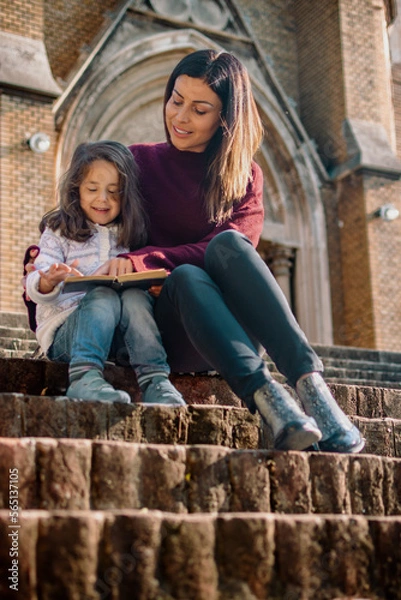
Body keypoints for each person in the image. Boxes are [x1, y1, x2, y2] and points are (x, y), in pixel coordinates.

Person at [95, 49, 364, 453]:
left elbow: (234, 253)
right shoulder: (136, 163)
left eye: (199, 109)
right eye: (175, 100)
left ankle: (313, 390)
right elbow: (83, 217)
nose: (180, 118)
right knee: (186, 276)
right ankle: (272, 404)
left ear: (225, 119)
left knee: (226, 245)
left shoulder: (245, 176)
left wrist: (147, 257)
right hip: (154, 331)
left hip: (226, 335)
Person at [25, 140, 185, 406]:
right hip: (68, 335)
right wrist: (46, 280)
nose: (103, 199)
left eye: (114, 192)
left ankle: (155, 380)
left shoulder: (131, 234)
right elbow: (38, 278)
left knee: (134, 297)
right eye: (92, 189)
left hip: (117, 338)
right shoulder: (60, 231)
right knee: (102, 295)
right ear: (76, 188)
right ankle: (84, 377)